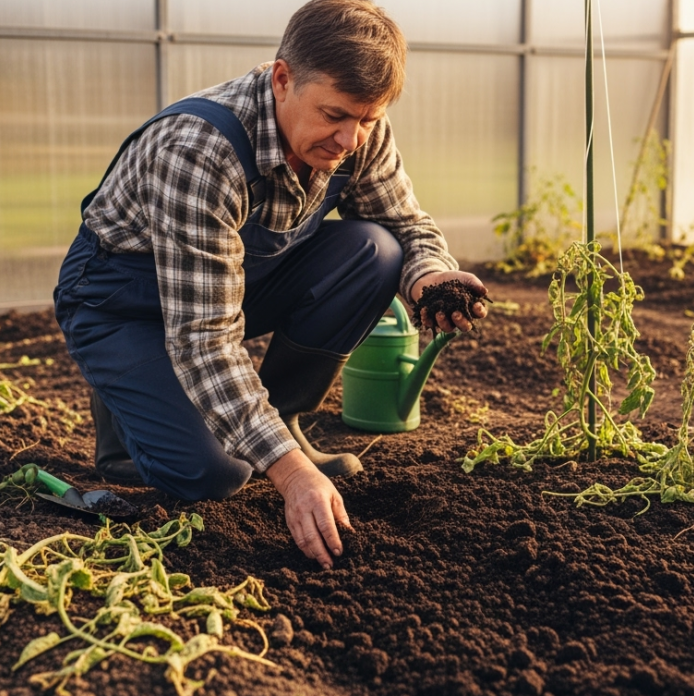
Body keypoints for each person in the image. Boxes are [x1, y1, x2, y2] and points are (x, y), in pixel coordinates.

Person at [52, 0, 488, 570]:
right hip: (122, 304)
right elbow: (204, 339)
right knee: (216, 475)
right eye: (334, 115)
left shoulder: (357, 128)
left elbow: (403, 224)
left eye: (367, 119)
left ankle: (278, 422)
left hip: (226, 284)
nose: (350, 139)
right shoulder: (199, 152)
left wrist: (430, 273)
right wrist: (292, 475)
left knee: (375, 251)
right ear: (282, 79)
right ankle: (130, 410)